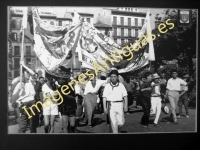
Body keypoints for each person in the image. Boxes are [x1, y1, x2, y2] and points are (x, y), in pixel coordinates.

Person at [11, 62, 38, 133]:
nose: (29, 74)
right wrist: (19, 90)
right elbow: (13, 99)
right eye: (27, 72)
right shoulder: (19, 84)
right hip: (23, 106)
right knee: (23, 127)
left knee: (33, 128)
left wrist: (24, 66)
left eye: (29, 72)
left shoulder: (31, 82)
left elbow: (34, 74)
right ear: (22, 73)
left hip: (32, 105)